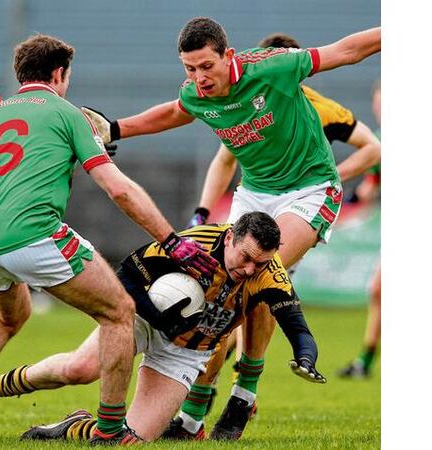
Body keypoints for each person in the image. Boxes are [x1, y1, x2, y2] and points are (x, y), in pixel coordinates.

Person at [81, 18, 380, 440]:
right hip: (254, 194)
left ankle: (243, 392)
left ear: (229, 56)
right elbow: (175, 112)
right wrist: (115, 128)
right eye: (190, 69)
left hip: (310, 189)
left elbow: (346, 50)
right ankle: (193, 416)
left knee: (256, 273)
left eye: (207, 66)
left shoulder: (274, 67)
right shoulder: (197, 94)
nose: (199, 78)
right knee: (220, 282)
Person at [0, 34, 218, 445]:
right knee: (119, 313)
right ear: (59, 73)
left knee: (8, 317)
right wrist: (171, 240)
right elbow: (119, 189)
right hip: (34, 235)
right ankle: (110, 431)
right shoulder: (68, 114)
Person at [0, 212, 325, 443]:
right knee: (79, 369)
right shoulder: (195, 243)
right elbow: (126, 277)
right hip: (143, 319)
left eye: (259, 264)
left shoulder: (269, 273)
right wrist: (161, 318)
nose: (249, 270)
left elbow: (297, 326)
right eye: (245, 258)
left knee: (129, 440)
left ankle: (70, 427)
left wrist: (305, 357)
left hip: (187, 353)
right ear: (230, 238)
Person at [175, 31, 384, 429]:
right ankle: (221, 394)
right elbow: (224, 159)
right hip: (257, 202)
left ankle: (228, 393)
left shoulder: (321, 107)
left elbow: (373, 147)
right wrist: (201, 212)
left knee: (249, 287)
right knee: (236, 293)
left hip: (299, 209)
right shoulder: (244, 100)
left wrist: (324, 183)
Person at [339, 78, 381, 379]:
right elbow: (370, 186)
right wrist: (337, 199)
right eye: (378, 102)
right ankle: (365, 362)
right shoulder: (378, 141)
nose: (380, 108)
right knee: (379, 290)